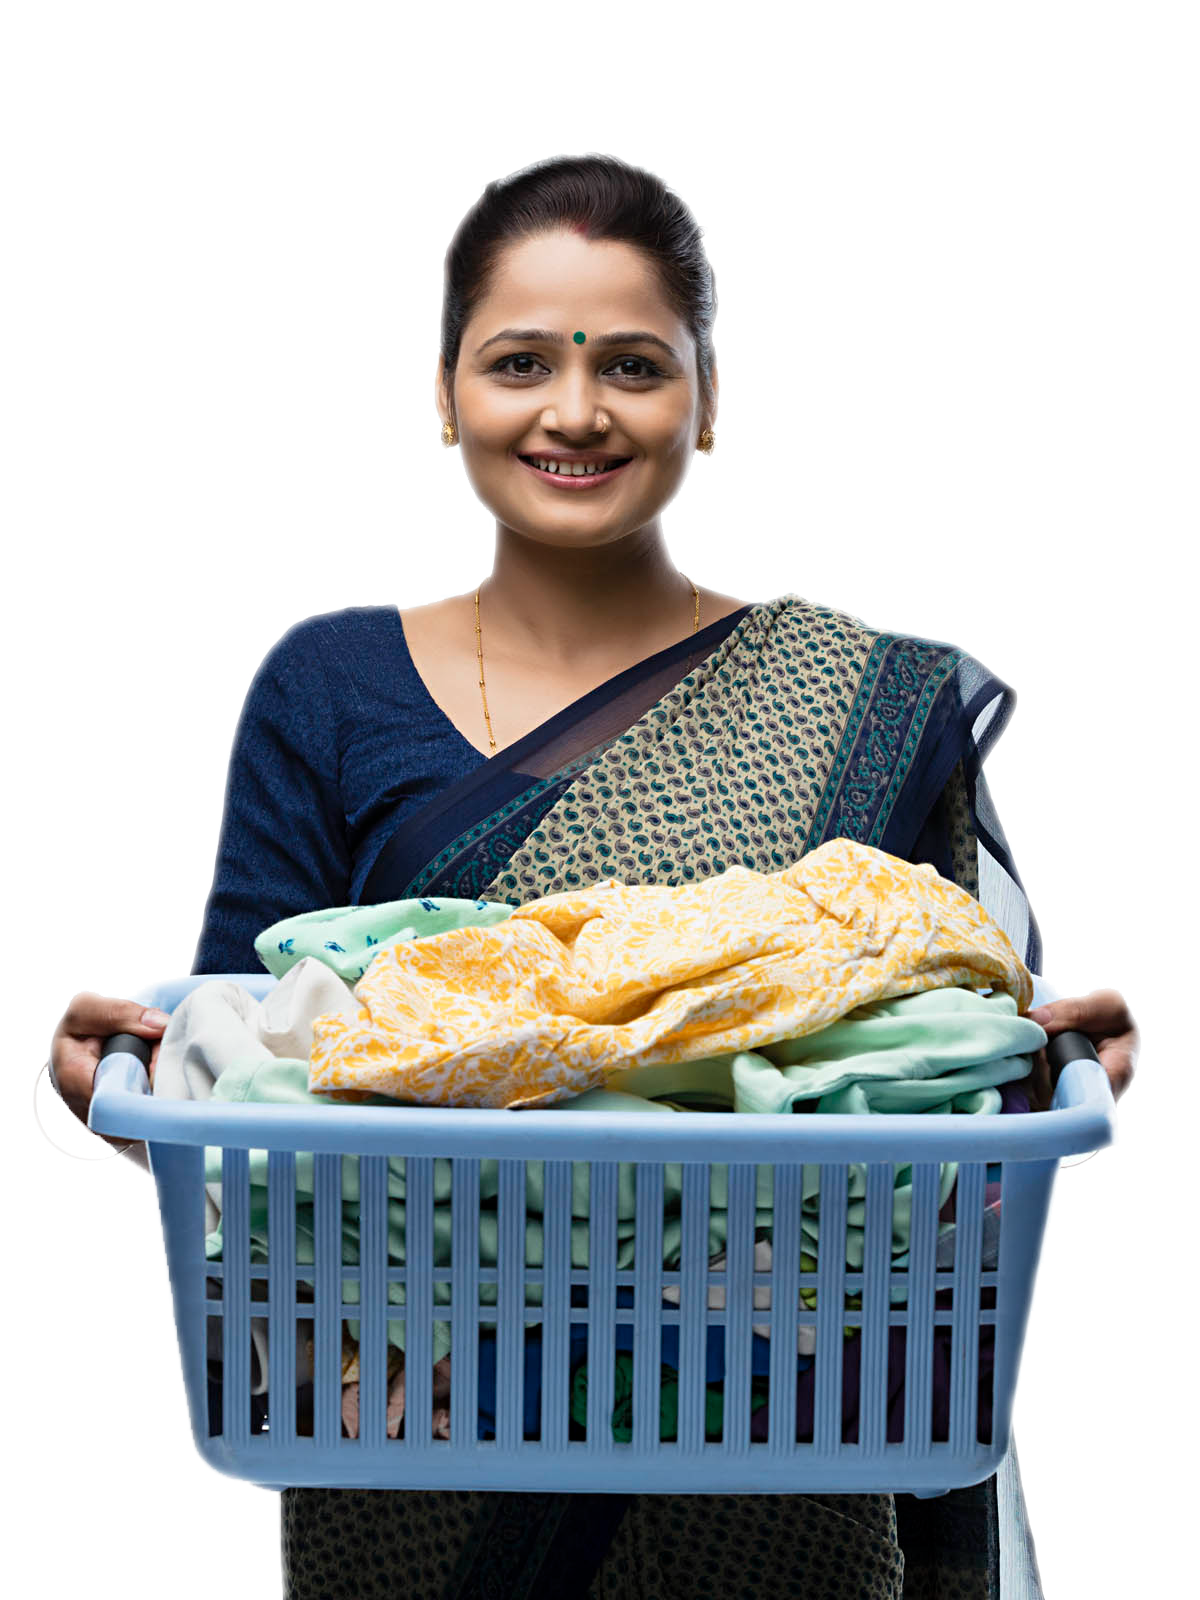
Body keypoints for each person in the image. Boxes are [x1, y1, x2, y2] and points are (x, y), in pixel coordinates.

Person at [42, 150, 1140, 1600]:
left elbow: (921, 1100)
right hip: (415, 1465)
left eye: (632, 363)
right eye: (520, 363)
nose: (575, 411)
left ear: (709, 396)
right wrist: (117, 1088)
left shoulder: (855, 699)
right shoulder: (328, 683)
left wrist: (1042, 1064)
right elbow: (255, 1089)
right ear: (444, 393)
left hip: (779, 1467)